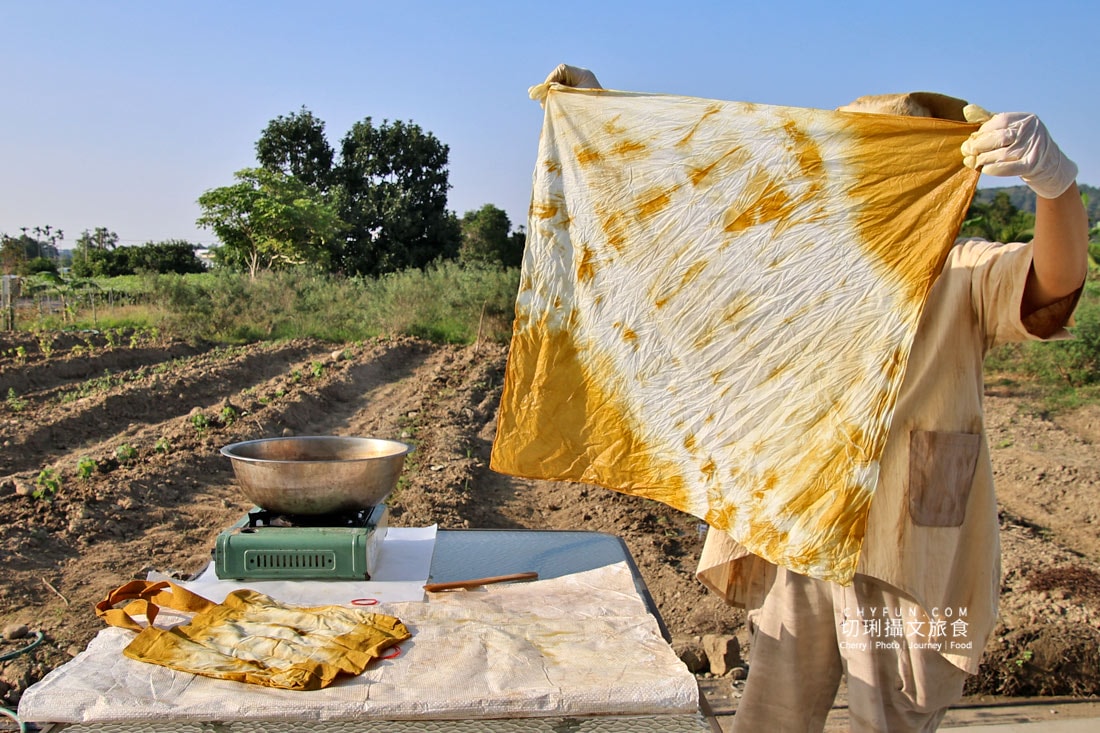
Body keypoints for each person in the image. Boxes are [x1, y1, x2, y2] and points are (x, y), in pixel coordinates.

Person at [540, 64, 1089, 731]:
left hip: (907, 537)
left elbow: (1052, 288)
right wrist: (600, 117)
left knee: (889, 714)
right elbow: (677, 222)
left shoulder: (963, 270)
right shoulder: (803, 266)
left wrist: (1055, 188)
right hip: (804, 522)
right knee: (774, 711)